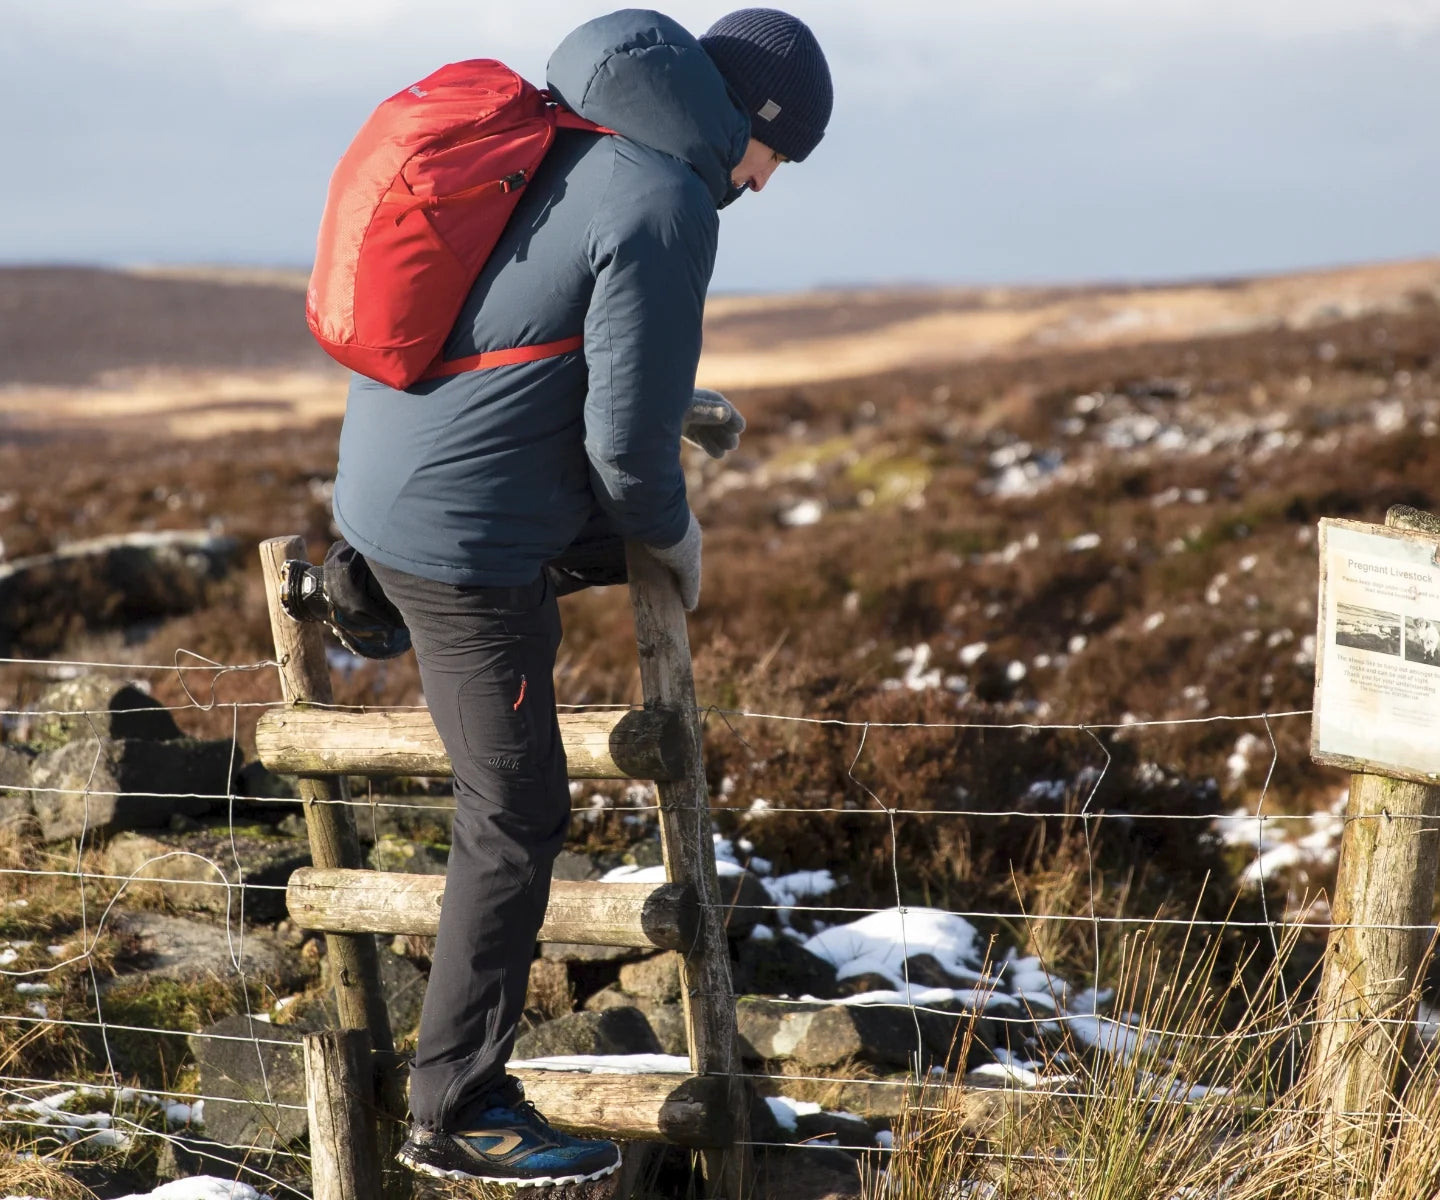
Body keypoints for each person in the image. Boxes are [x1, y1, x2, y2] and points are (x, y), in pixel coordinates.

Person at [309, 7, 833, 1187]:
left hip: (385, 495)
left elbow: (529, 342)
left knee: (572, 550)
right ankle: (458, 1103)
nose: (769, 181)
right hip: (463, 541)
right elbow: (629, 448)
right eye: (779, 156)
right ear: (752, 122)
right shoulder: (665, 200)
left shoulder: (566, 134)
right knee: (518, 810)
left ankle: (358, 578)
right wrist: (677, 535)